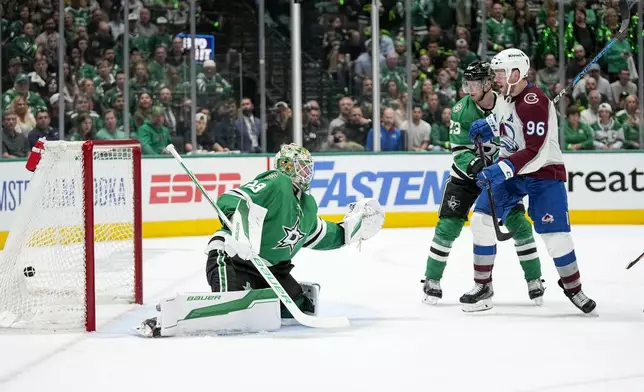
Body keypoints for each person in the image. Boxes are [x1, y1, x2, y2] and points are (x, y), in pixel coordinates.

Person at [138, 144, 385, 337]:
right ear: (287, 166)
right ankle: (167, 319)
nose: (306, 172)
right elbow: (231, 199)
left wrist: (348, 231)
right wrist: (241, 227)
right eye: (301, 166)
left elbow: (320, 234)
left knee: (298, 307)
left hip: (269, 271)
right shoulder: (276, 182)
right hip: (232, 257)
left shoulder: (308, 204)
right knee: (230, 310)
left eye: (308, 167)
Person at [467, 48, 596, 314]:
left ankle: (574, 288)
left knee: (556, 237)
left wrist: (499, 170)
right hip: (513, 171)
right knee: (481, 220)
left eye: (500, 73)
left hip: (543, 172)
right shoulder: (506, 95)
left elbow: (533, 150)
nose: (496, 78)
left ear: (516, 73)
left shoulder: (535, 102)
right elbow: (505, 118)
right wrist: (489, 125)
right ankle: (483, 286)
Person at [421, 60, 544, 308]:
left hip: (497, 177)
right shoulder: (460, 110)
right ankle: (431, 279)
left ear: (489, 84)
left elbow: (518, 141)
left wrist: (502, 168)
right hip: (465, 178)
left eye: (474, 83)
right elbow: (459, 151)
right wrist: (477, 165)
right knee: (447, 227)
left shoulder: (508, 106)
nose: (469, 88)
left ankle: (534, 279)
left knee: (520, 225)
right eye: (467, 83)